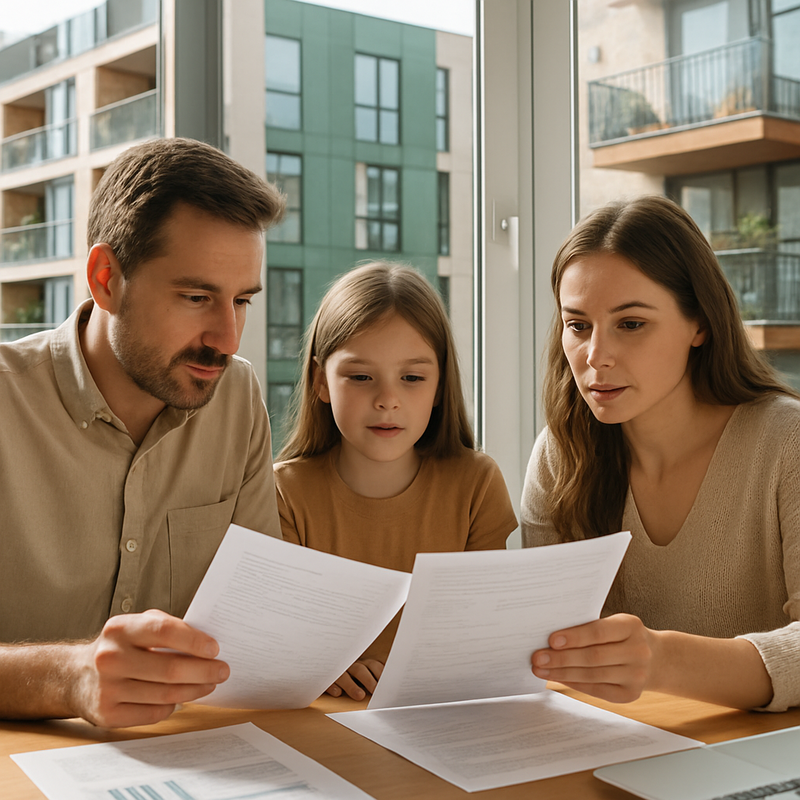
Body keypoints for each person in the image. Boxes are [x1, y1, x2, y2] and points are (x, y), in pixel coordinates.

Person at [0, 137, 285, 727]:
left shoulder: (235, 395)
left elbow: (261, 614)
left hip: (192, 760)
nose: (227, 339)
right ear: (106, 279)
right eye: (197, 296)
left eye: (241, 301)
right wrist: (68, 677)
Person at [522, 195, 800, 712]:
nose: (596, 356)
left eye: (630, 324)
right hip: (613, 750)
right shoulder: (561, 454)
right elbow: (542, 643)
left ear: (700, 323)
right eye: (578, 325)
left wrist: (662, 659)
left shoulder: (788, 442)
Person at [274, 262, 517, 700]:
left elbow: (484, 635)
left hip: (443, 715)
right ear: (320, 382)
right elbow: (285, 641)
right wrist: (321, 665)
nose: (388, 400)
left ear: (441, 385)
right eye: (361, 377)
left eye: (412, 378)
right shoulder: (283, 493)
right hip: (323, 721)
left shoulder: (477, 484)